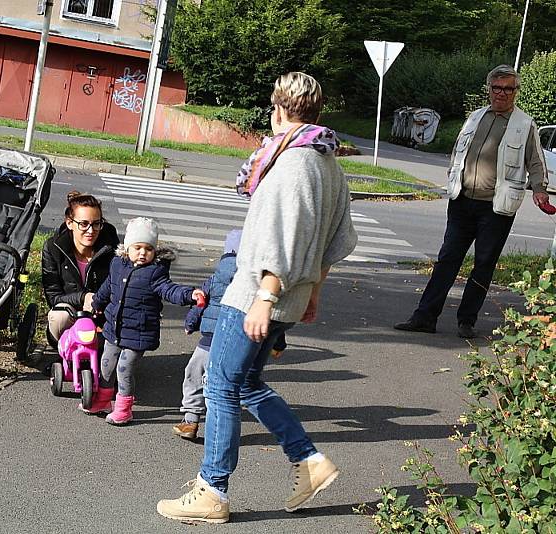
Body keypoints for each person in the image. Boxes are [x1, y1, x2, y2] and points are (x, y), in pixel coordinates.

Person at [156, 72, 358, 524]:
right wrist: (312, 293)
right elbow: (339, 238)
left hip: (256, 293)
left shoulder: (293, 163)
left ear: (279, 109)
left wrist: (265, 296)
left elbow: (280, 236)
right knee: (245, 382)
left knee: (221, 385)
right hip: (289, 293)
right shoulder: (329, 163)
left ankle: (213, 490)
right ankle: (308, 460)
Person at [394, 65, 549, 339]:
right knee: (446, 259)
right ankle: (425, 317)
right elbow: (458, 151)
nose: (501, 93)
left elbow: (536, 161)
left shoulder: (524, 124)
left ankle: (467, 320)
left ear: (516, 91)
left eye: (508, 88)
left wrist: (539, 189)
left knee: (484, 262)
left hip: (496, 206)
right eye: (496, 87)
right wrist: (453, 175)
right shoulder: (475, 117)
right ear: (489, 89)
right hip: (462, 200)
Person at [173, 228, 286, 441]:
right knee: (225, 385)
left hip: (207, 342)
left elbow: (200, 303)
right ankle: (221, 430)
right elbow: (270, 318)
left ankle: (190, 419)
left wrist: (190, 322)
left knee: (194, 374)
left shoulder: (215, 278)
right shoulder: (256, 284)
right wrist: (277, 344)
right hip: (236, 343)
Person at [89, 217, 204, 424]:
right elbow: (108, 286)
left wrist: (189, 294)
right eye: (138, 247)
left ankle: (124, 408)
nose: (143, 253)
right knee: (106, 364)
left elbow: (169, 290)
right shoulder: (117, 264)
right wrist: (97, 303)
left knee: (124, 369)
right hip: (114, 328)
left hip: (138, 332)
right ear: (127, 248)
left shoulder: (155, 273)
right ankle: (104, 400)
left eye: (148, 249)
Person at [41, 191, 119, 347]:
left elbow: (119, 288)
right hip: (71, 313)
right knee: (59, 316)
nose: (91, 231)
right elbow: (53, 297)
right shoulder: (53, 248)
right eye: (84, 224)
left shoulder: (111, 249)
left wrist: (100, 302)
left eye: (96, 223)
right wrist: (84, 297)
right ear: (70, 223)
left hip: (101, 314)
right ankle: (64, 351)